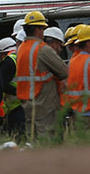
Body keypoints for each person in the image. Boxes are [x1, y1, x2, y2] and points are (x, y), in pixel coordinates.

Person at [16, 11, 69, 140]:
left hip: (27, 101)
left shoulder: (21, 49)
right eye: (43, 28)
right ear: (38, 29)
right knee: (47, 138)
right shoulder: (42, 49)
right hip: (43, 102)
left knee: (32, 137)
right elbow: (64, 71)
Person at [0, 37, 24, 138]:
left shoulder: (9, 61)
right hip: (24, 103)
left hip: (15, 106)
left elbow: (0, 83)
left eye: (0, 55)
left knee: (17, 135)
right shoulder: (20, 57)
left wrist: (18, 92)